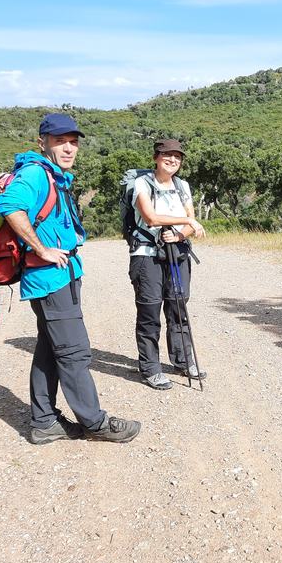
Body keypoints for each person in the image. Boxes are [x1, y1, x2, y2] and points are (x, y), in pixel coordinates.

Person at [0, 113, 140, 444]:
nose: (69, 147)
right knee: (74, 352)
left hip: (61, 276)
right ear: (42, 142)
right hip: (50, 278)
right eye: (61, 141)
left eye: (73, 142)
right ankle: (95, 423)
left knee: (50, 348)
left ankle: (44, 421)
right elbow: (10, 205)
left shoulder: (53, 175)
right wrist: (42, 249)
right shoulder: (35, 174)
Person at [128, 139, 206, 390]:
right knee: (150, 312)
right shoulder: (142, 183)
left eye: (177, 156)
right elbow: (150, 218)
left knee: (178, 306)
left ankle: (183, 361)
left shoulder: (182, 185)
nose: (172, 160)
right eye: (167, 155)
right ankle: (151, 368)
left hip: (177, 254)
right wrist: (187, 222)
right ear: (156, 157)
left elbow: (189, 221)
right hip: (146, 255)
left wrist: (180, 234)